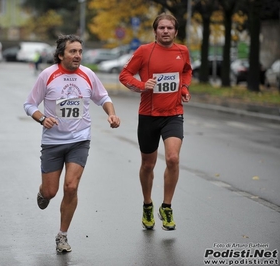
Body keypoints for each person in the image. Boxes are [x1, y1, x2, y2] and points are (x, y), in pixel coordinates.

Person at [24, 34, 120, 252]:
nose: (78, 55)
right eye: (72, 51)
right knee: (51, 192)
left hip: (79, 140)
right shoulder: (47, 76)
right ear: (60, 55)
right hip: (53, 142)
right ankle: (43, 192)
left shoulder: (88, 75)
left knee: (71, 186)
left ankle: (62, 236)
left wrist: (111, 114)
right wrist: (42, 118)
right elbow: (29, 104)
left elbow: (103, 98)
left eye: (80, 51)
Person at [119, 13, 192, 231]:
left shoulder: (183, 51)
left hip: (173, 113)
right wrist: (143, 85)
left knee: (172, 158)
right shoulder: (144, 51)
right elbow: (125, 75)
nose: (166, 31)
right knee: (148, 164)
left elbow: (187, 71)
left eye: (170, 28)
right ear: (155, 31)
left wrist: (185, 88)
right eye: (162, 28)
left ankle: (166, 207)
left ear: (176, 32)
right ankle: (148, 204)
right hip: (149, 115)